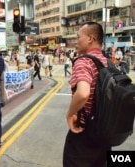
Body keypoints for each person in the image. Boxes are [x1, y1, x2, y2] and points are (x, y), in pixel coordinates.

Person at [63, 22, 110, 167]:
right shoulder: (107, 62)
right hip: (104, 135)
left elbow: (83, 93)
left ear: (90, 38)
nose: (75, 42)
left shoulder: (84, 62)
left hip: (84, 135)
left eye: (78, 37)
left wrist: (70, 114)